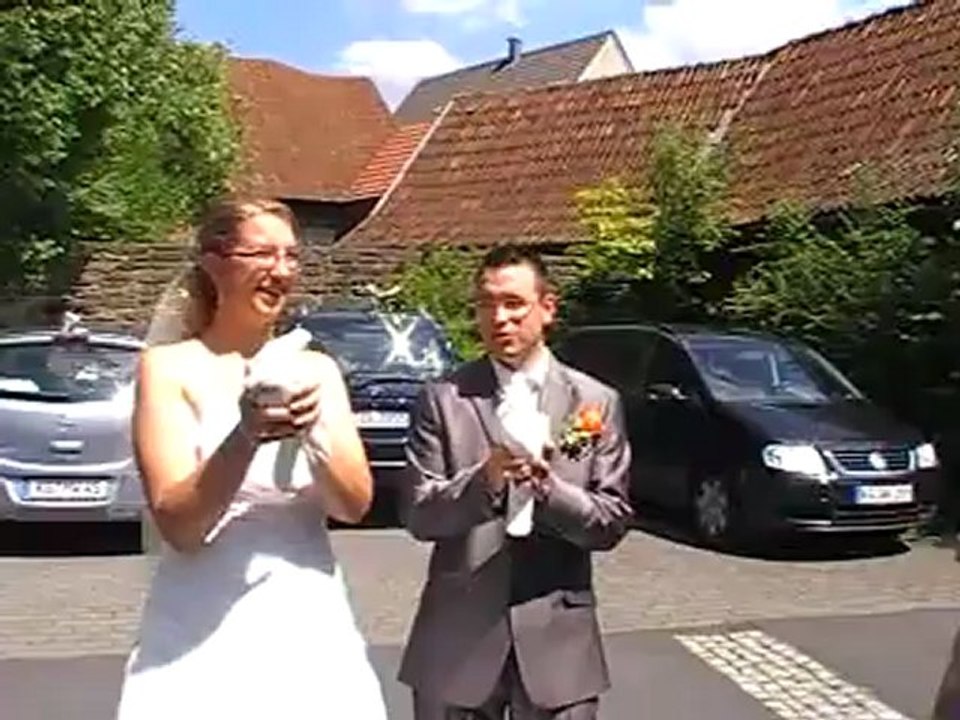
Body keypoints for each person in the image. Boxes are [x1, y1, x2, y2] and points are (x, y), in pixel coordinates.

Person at [114, 198, 387, 719]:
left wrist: (315, 434)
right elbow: (180, 524)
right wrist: (245, 436)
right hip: (202, 619)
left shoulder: (318, 370)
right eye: (262, 254)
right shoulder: (167, 369)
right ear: (215, 262)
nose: (281, 271)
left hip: (306, 616)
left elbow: (353, 506)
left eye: (291, 256)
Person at [398, 245, 634, 719]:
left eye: (513, 304)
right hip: (455, 642)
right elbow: (419, 513)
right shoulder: (444, 400)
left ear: (547, 308)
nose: (498, 318)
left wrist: (550, 491)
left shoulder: (594, 402)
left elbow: (609, 522)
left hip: (557, 645)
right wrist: (483, 482)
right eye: (486, 305)